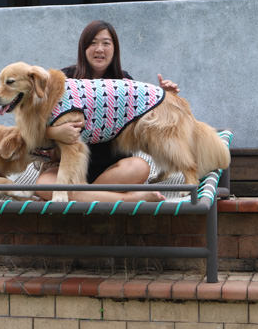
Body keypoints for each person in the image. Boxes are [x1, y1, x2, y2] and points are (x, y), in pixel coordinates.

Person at [35, 20, 180, 202]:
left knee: (140, 167)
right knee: (43, 185)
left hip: (116, 170)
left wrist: (165, 99)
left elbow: (146, 125)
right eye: (93, 43)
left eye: (106, 43)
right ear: (83, 48)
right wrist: (55, 132)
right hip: (68, 169)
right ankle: (129, 199)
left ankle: (86, 196)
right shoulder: (64, 80)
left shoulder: (125, 81)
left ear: (114, 48)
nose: (99, 49)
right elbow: (34, 130)